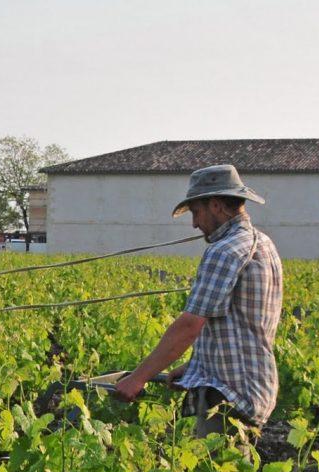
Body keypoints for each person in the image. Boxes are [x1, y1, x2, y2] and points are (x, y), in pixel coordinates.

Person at [113, 165, 283, 437]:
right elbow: (238, 323)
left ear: (216, 205)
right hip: (251, 385)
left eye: (196, 212)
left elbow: (190, 325)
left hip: (228, 395)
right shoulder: (263, 243)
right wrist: (195, 366)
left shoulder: (224, 251)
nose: (194, 223)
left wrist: (138, 378)